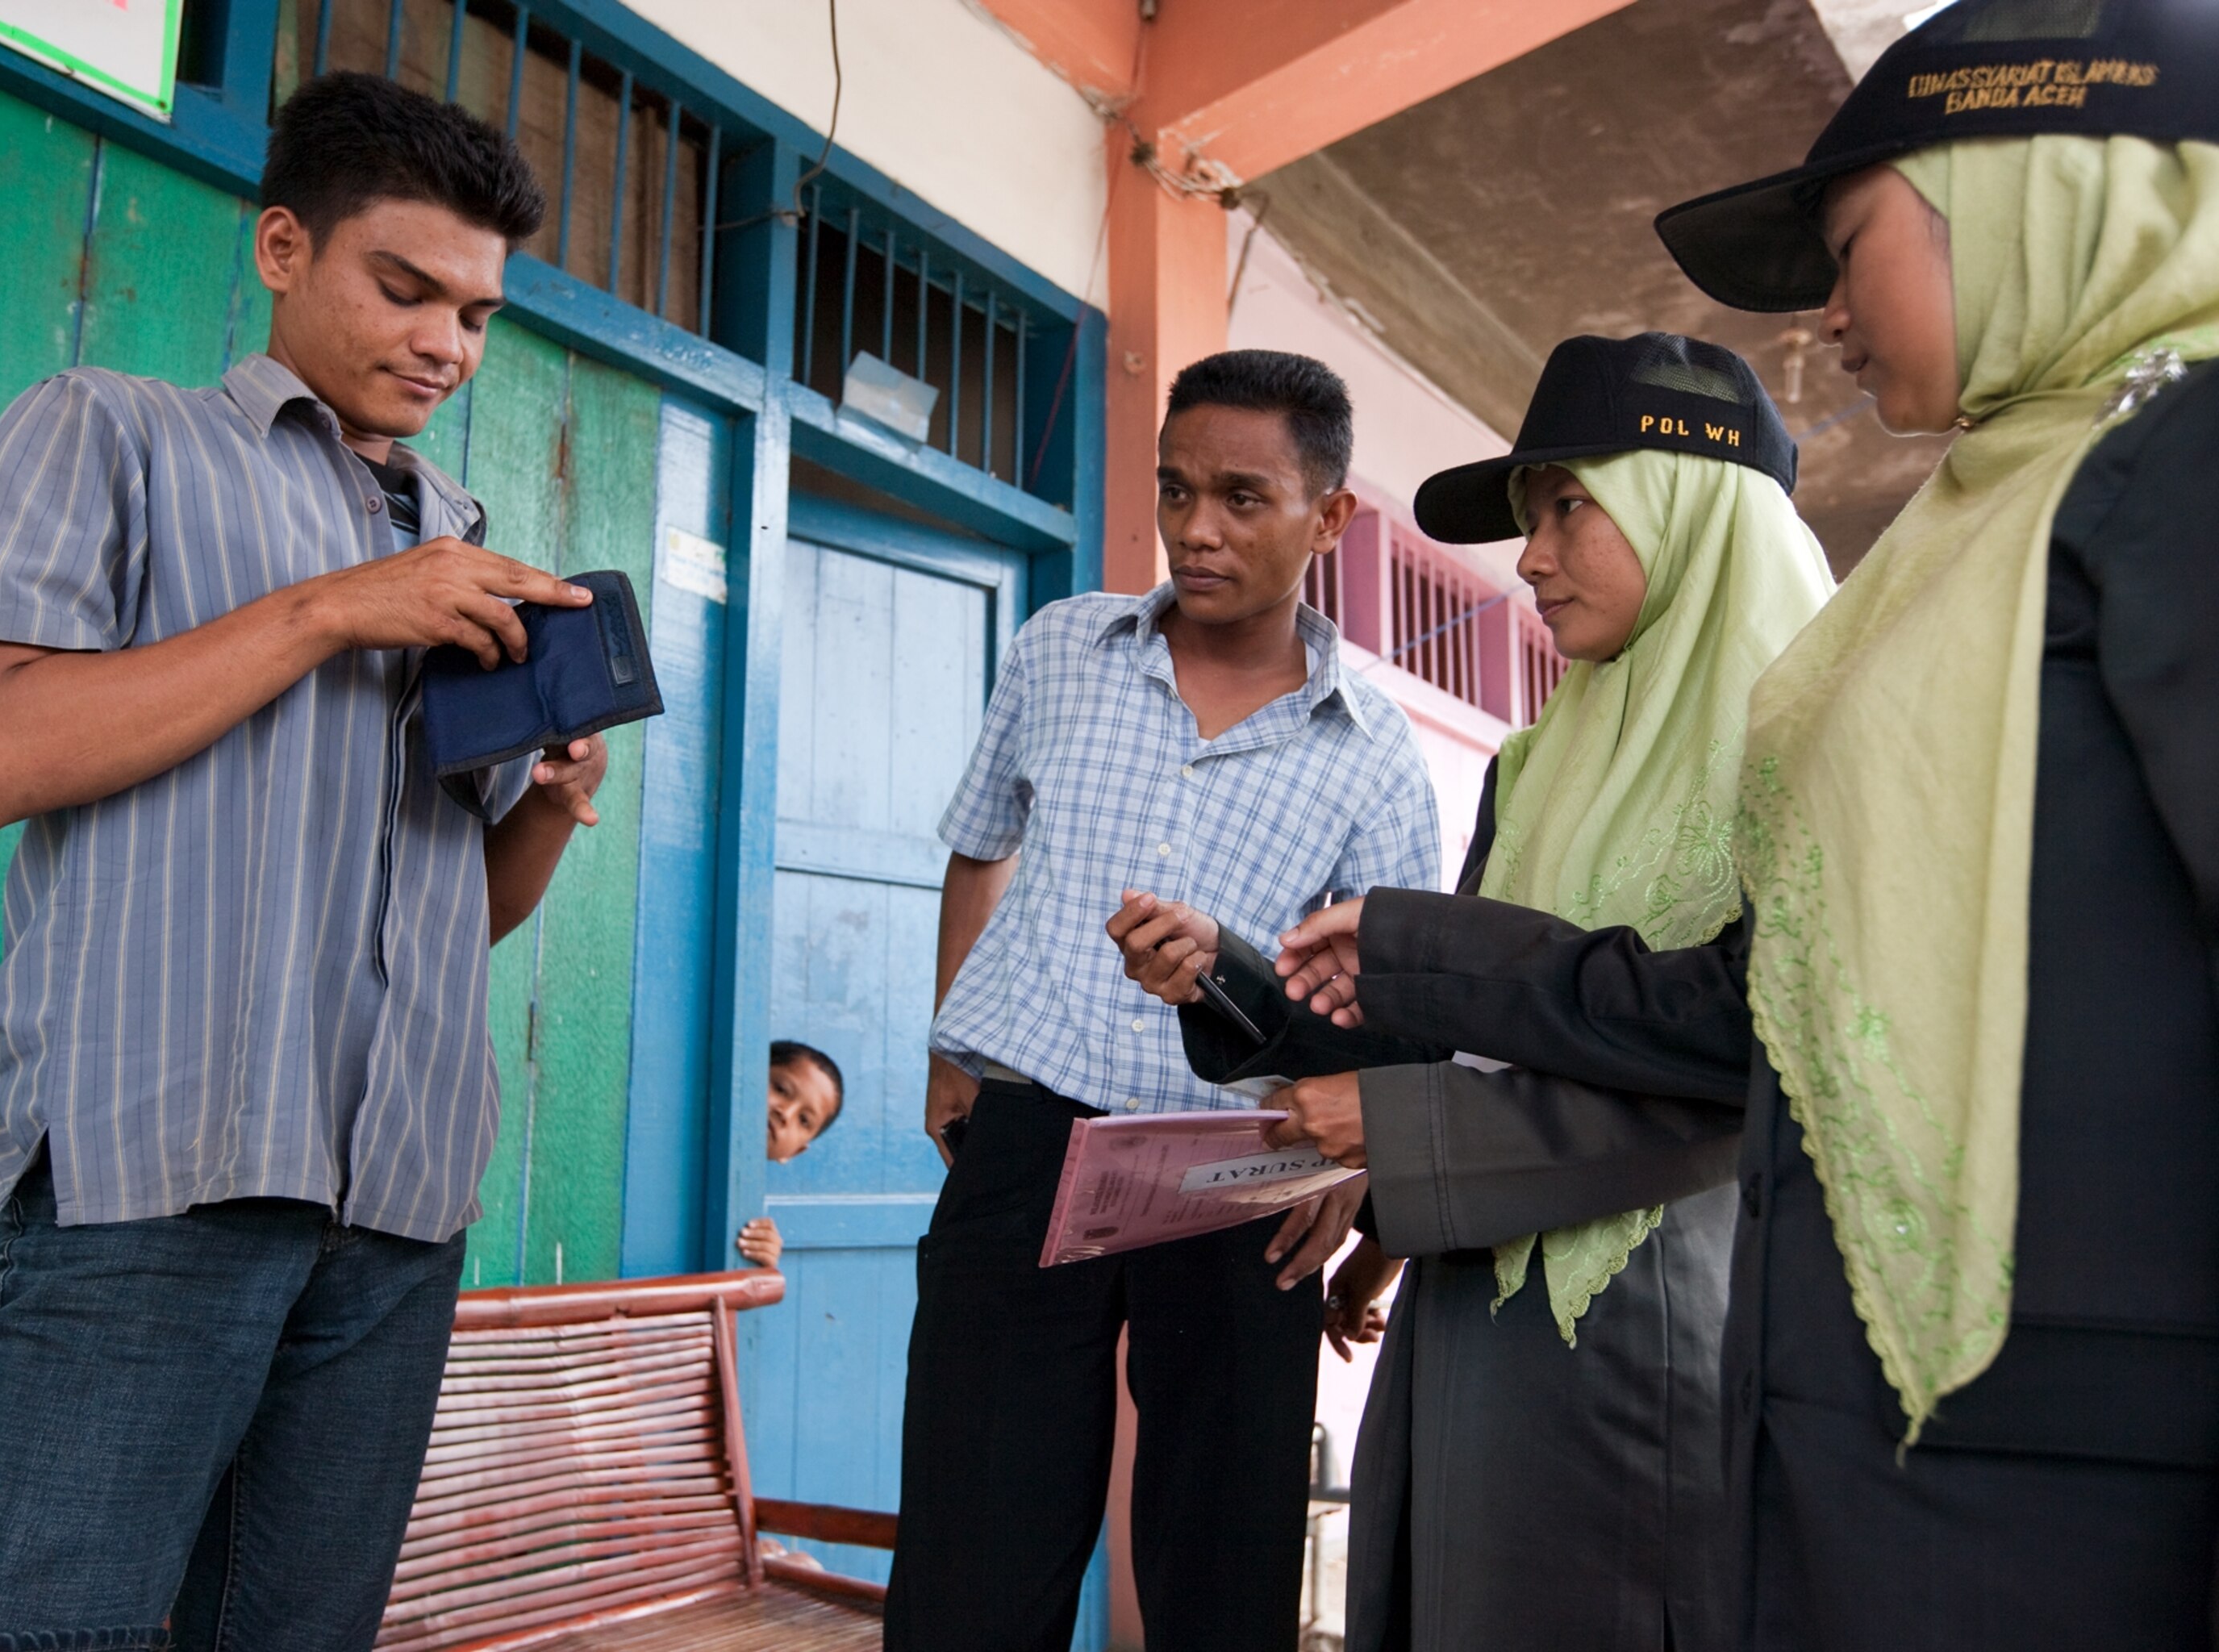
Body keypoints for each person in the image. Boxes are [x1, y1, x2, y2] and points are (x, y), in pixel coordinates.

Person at [1262, 2, 2219, 1642]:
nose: (1830, 313)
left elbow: (1734, 1056)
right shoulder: (1946, 570)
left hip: (1999, 1442)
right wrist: (1411, 995)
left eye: (1853, 243)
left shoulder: (2162, 482)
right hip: (1852, 1424)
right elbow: (1771, 997)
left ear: (2018, 194)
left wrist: (1410, 1132)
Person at [0, 73, 604, 1648]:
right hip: (150, 1181)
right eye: (404, 288)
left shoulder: (460, 527)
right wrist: (331, 609)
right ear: (284, 246)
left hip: (399, 1209)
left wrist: (547, 803)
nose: (444, 344)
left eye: (477, 317)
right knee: (42, 1629)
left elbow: (442, 918)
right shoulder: (107, 433)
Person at [1113, 332, 1833, 1652]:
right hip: (1463, 1304)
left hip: (1650, 1334)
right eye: (1525, 516)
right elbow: (1466, 1023)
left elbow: (1757, 1057)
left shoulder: (1810, 748)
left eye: (1568, 506)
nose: (1532, 556)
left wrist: (1413, 1133)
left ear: (1693, 506)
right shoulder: (1535, 762)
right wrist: (1231, 979)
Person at [885, 350, 1444, 1652]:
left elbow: (1395, 1011)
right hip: (1024, 1150)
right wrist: (946, 1052)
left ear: (1329, 516)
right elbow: (978, 842)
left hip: (1240, 1180)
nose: (1196, 529)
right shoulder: (1061, 649)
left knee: (1219, 1566)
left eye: (1243, 498)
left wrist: (1347, 1176)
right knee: (978, 1545)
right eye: (1175, 489)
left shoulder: (1372, 754)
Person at [736, 1039, 846, 1267]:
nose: (785, 1113)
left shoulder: (748, 1219)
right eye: (781, 1089)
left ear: (795, 1152)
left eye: (804, 1120)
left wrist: (762, 1259)